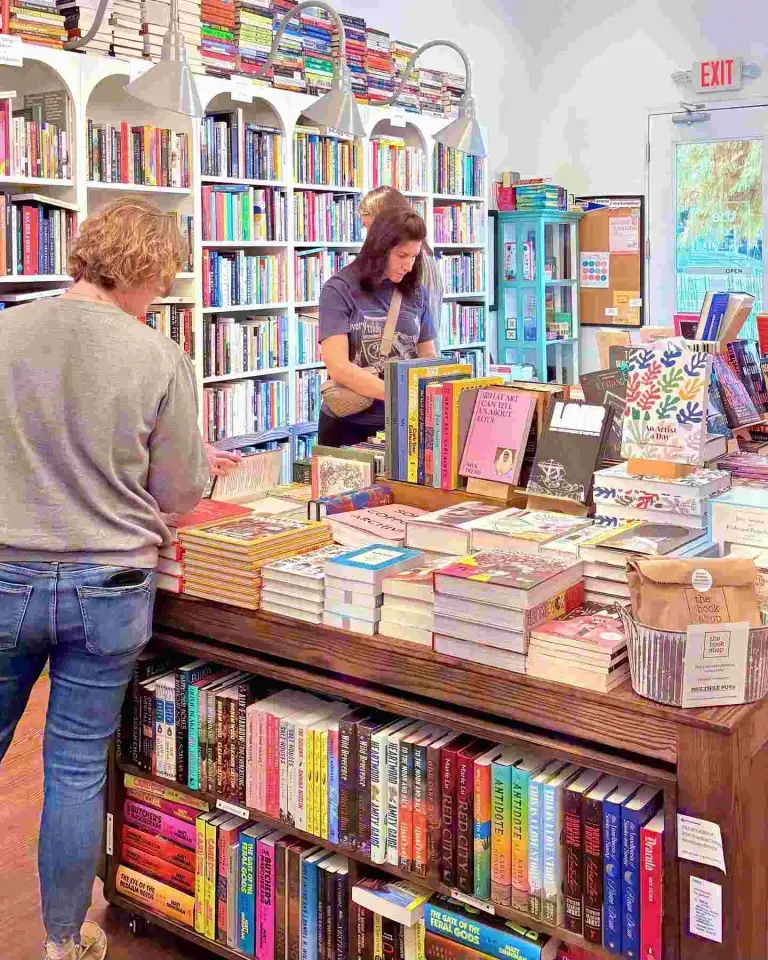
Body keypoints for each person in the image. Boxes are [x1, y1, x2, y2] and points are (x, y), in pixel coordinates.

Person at [0, 198, 211, 960]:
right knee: (76, 766)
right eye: (161, 282)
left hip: (5, 571)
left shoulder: (5, 330)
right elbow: (181, 492)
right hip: (112, 584)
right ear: (147, 271)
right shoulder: (157, 355)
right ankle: (63, 942)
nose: (158, 297)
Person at [318, 204, 437, 447]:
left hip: (404, 423)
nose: (408, 265)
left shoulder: (416, 293)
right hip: (348, 423)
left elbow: (428, 357)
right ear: (379, 249)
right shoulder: (339, 288)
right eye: (401, 256)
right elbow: (338, 366)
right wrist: (400, 396)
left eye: (414, 257)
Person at [358, 185, 443, 339]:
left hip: (410, 348)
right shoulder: (424, 253)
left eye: (369, 225)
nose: (369, 234)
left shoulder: (413, 259)